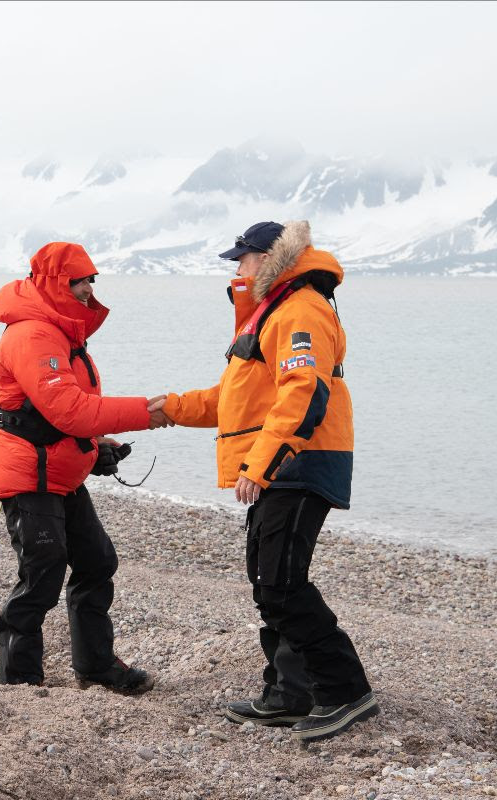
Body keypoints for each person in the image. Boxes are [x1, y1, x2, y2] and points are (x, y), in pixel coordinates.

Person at [149, 220, 377, 741]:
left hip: (301, 461)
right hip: (282, 462)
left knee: (280, 583)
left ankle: (346, 693)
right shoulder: (273, 310)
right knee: (268, 580)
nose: (237, 266)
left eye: (243, 257)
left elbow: (305, 394)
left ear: (269, 259)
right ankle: (288, 694)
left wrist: (262, 465)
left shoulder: (300, 310)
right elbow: (236, 398)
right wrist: (174, 407)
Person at [0, 241, 164, 693]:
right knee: (43, 571)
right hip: (29, 474)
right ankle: (19, 681)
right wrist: (148, 411)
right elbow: (68, 411)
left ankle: (97, 669)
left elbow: (65, 411)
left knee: (97, 561)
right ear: (55, 283)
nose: (89, 289)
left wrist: (96, 444)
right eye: (80, 280)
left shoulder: (58, 331)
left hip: (58, 472)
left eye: (92, 280)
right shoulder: (32, 334)